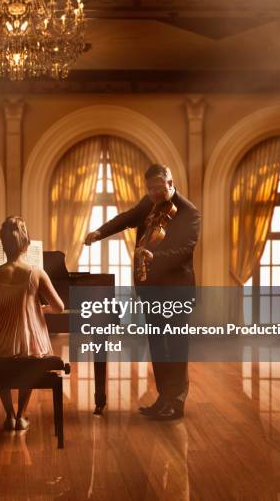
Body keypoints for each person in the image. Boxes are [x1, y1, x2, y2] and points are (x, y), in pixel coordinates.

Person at [84, 164, 200, 420]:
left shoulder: (189, 212)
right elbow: (126, 218)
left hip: (177, 292)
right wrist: (100, 232)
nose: (154, 193)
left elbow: (184, 251)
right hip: (151, 289)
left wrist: (154, 256)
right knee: (159, 347)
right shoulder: (150, 203)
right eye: (150, 189)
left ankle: (176, 403)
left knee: (176, 348)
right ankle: (164, 398)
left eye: (158, 187)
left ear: (170, 182)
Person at [0, 216, 65, 431]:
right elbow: (59, 307)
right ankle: (21, 415)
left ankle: (8, 414)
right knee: (30, 355)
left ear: (2, 245)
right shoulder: (36, 272)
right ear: (27, 245)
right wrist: (38, 309)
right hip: (30, 345)